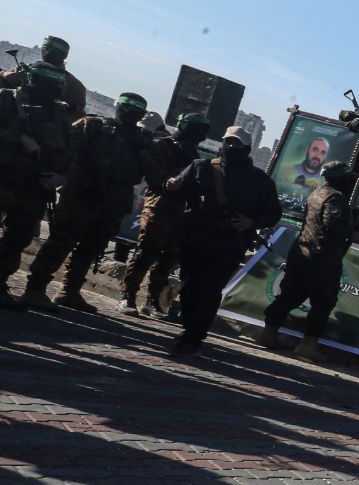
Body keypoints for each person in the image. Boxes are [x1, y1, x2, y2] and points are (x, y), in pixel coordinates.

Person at [162, 126, 279, 356]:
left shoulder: (260, 181)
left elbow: (273, 213)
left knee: (210, 289)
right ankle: (188, 328)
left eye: (237, 144)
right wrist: (171, 187)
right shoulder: (201, 167)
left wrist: (251, 221)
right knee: (189, 287)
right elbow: (178, 193)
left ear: (246, 149)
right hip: (196, 237)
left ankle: (194, 335)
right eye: (229, 142)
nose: (232, 148)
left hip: (228, 243)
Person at [22, 96, 145, 311]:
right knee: (61, 241)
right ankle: (35, 288)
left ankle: (69, 291)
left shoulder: (141, 139)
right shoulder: (93, 125)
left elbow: (145, 172)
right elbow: (69, 151)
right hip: (82, 194)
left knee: (91, 248)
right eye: (127, 107)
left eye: (135, 110)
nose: (129, 113)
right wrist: (68, 178)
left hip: (112, 201)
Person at [257, 160, 354, 362]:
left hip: (302, 252)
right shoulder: (336, 198)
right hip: (321, 258)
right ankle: (308, 345)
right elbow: (333, 226)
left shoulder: (318, 193)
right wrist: (355, 224)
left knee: (289, 295)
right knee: (323, 301)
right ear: (341, 179)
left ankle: (268, 334)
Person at [118, 113, 209, 317]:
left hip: (180, 210)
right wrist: (176, 179)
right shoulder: (161, 145)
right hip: (159, 204)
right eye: (197, 129)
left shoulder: (192, 152)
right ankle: (127, 295)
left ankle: (152, 299)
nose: (200, 135)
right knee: (146, 252)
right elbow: (154, 176)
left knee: (169, 257)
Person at [0, 63, 71, 311]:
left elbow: (69, 152)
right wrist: (20, 138)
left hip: (34, 184)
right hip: (5, 175)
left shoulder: (59, 114)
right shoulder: (8, 99)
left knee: (18, 235)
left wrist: (60, 177)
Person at [1, 36, 88, 116]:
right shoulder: (75, 84)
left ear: (44, 49)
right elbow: (79, 111)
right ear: (65, 56)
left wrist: (4, 73)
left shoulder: (26, 68)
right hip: (50, 128)